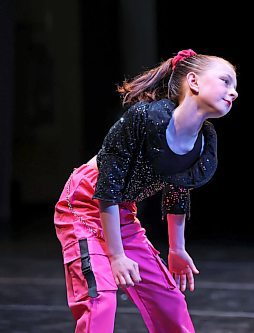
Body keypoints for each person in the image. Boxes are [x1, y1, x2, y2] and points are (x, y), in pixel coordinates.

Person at [54, 49, 238, 333]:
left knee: (169, 300)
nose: (233, 92)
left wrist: (177, 248)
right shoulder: (145, 118)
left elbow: (178, 188)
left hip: (122, 212)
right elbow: (107, 188)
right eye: (226, 81)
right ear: (194, 82)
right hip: (83, 206)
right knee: (100, 299)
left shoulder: (202, 141)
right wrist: (116, 256)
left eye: (235, 86)